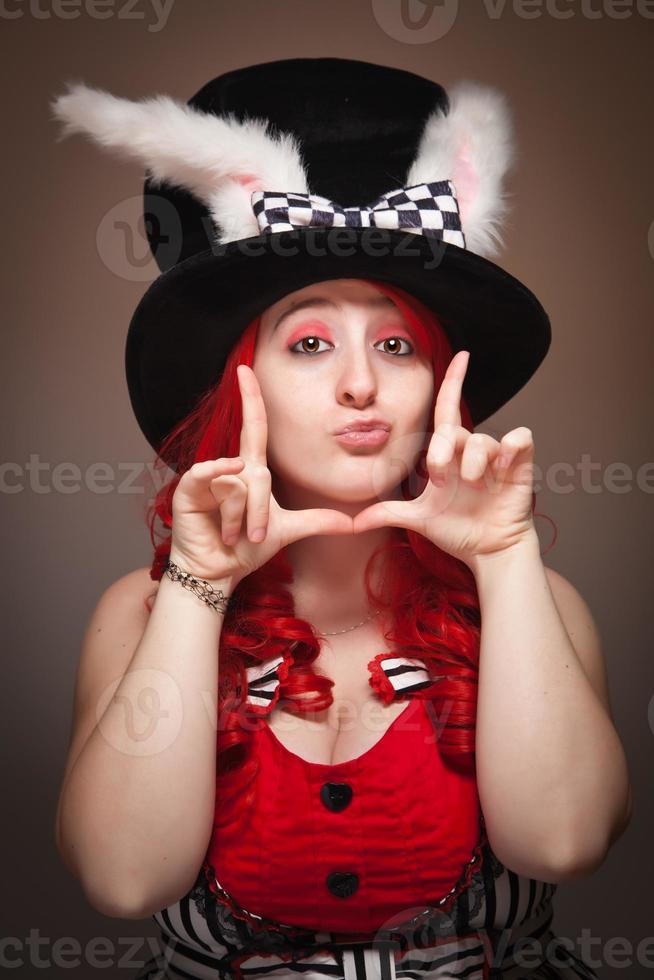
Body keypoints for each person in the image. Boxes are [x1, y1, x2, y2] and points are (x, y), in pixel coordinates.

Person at [50, 58, 631, 980]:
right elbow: (125, 879)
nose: (362, 382)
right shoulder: (137, 612)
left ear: (441, 382)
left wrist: (507, 554)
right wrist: (200, 584)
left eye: (396, 343)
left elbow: (562, 844)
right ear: (243, 386)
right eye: (311, 342)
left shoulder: (533, 600)